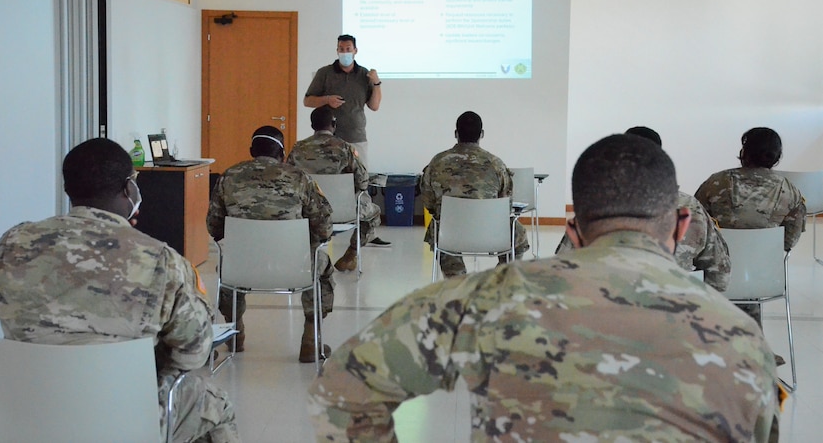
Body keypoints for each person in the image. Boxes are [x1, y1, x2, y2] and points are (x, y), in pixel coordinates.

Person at [309, 133, 782, 442]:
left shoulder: (490, 300)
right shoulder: (741, 339)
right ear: (681, 226)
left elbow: (346, 383)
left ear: (573, 231)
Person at [0, 138, 240, 443]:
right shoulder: (159, 259)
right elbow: (193, 354)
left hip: (27, 411)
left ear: (68, 189)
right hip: (124, 414)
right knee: (214, 405)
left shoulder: (13, 244)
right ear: (130, 189)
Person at [206, 126, 334, 363]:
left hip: (240, 269)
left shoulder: (229, 176)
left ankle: (236, 331)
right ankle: (310, 340)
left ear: (251, 150)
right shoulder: (300, 178)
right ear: (282, 154)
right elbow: (325, 226)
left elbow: (214, 227)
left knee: (226, 265)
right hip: (295, 269)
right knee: (323, 267)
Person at [556, 126, 731, 291]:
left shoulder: (596, 206)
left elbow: (561, 269)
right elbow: (720, 276)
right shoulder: (691, 208)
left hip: (603, 307)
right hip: (675, 307)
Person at [695, 127, 806, 328]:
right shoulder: (790, 192)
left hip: (717, 277)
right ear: (777, 156)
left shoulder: (716, 183)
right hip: (763, 278)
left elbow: (697, 225)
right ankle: (752, 343)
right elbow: (789, 241)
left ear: (744, 153)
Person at [420, 111, 529, 277]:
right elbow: (505, 204)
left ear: (456, 134)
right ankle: (499, 280)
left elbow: (429, 202)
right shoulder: (496, 164)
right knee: (518, 235)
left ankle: (457, 280)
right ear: (482, 134)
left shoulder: (437, 162)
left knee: (437, 228)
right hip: (491, 234)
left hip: (449, 233)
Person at [286, 106, 390, 272]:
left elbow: (289, 179)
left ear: (313, 126)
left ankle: (312, 255)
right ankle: (351, 254)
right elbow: (363, 182)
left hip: (308, 211)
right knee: (374, 214)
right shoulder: (345, 148)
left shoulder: (298, 149)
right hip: (342, 211)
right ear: (334, 124)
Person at [303, 34, 382, 166]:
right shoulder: (324, 73)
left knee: (358, 179)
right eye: (341, 49)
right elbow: (308, 101)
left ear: (355, 51)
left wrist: (376, 84)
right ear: (337, 51)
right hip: (329, 139)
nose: (344, 52)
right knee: (330, 178)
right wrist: (327, 100)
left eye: (348, 49)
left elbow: (374, 106)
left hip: (356, 137)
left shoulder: (364, 74)